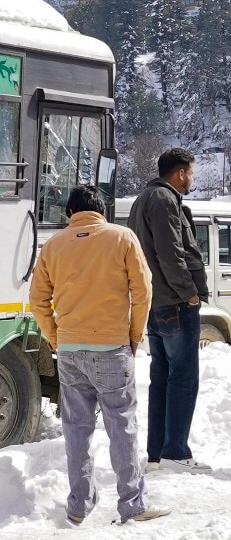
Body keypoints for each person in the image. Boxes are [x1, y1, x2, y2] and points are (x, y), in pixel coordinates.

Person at [29, 185, 171, 524]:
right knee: (121, 424)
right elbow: (143, 290)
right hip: (112, 347)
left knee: (76, 428)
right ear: (102, 211)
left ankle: (78, 503)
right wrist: (134, 336)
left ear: (69, 214)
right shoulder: (121, 238)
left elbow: (37, 300)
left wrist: (56, 338)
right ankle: (132, 505)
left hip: (70, 350)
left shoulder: (53, 246)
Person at [127, 148, 211, 473]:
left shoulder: (141, 200)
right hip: (173, 303)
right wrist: (189, 293)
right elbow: (170, 253)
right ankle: (175, 451)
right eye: (191, 173)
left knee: (161, 378)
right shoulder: (164, 200)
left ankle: (157, 455)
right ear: (180, 173)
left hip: (151, 303)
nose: (192, 178)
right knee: (183, 378)